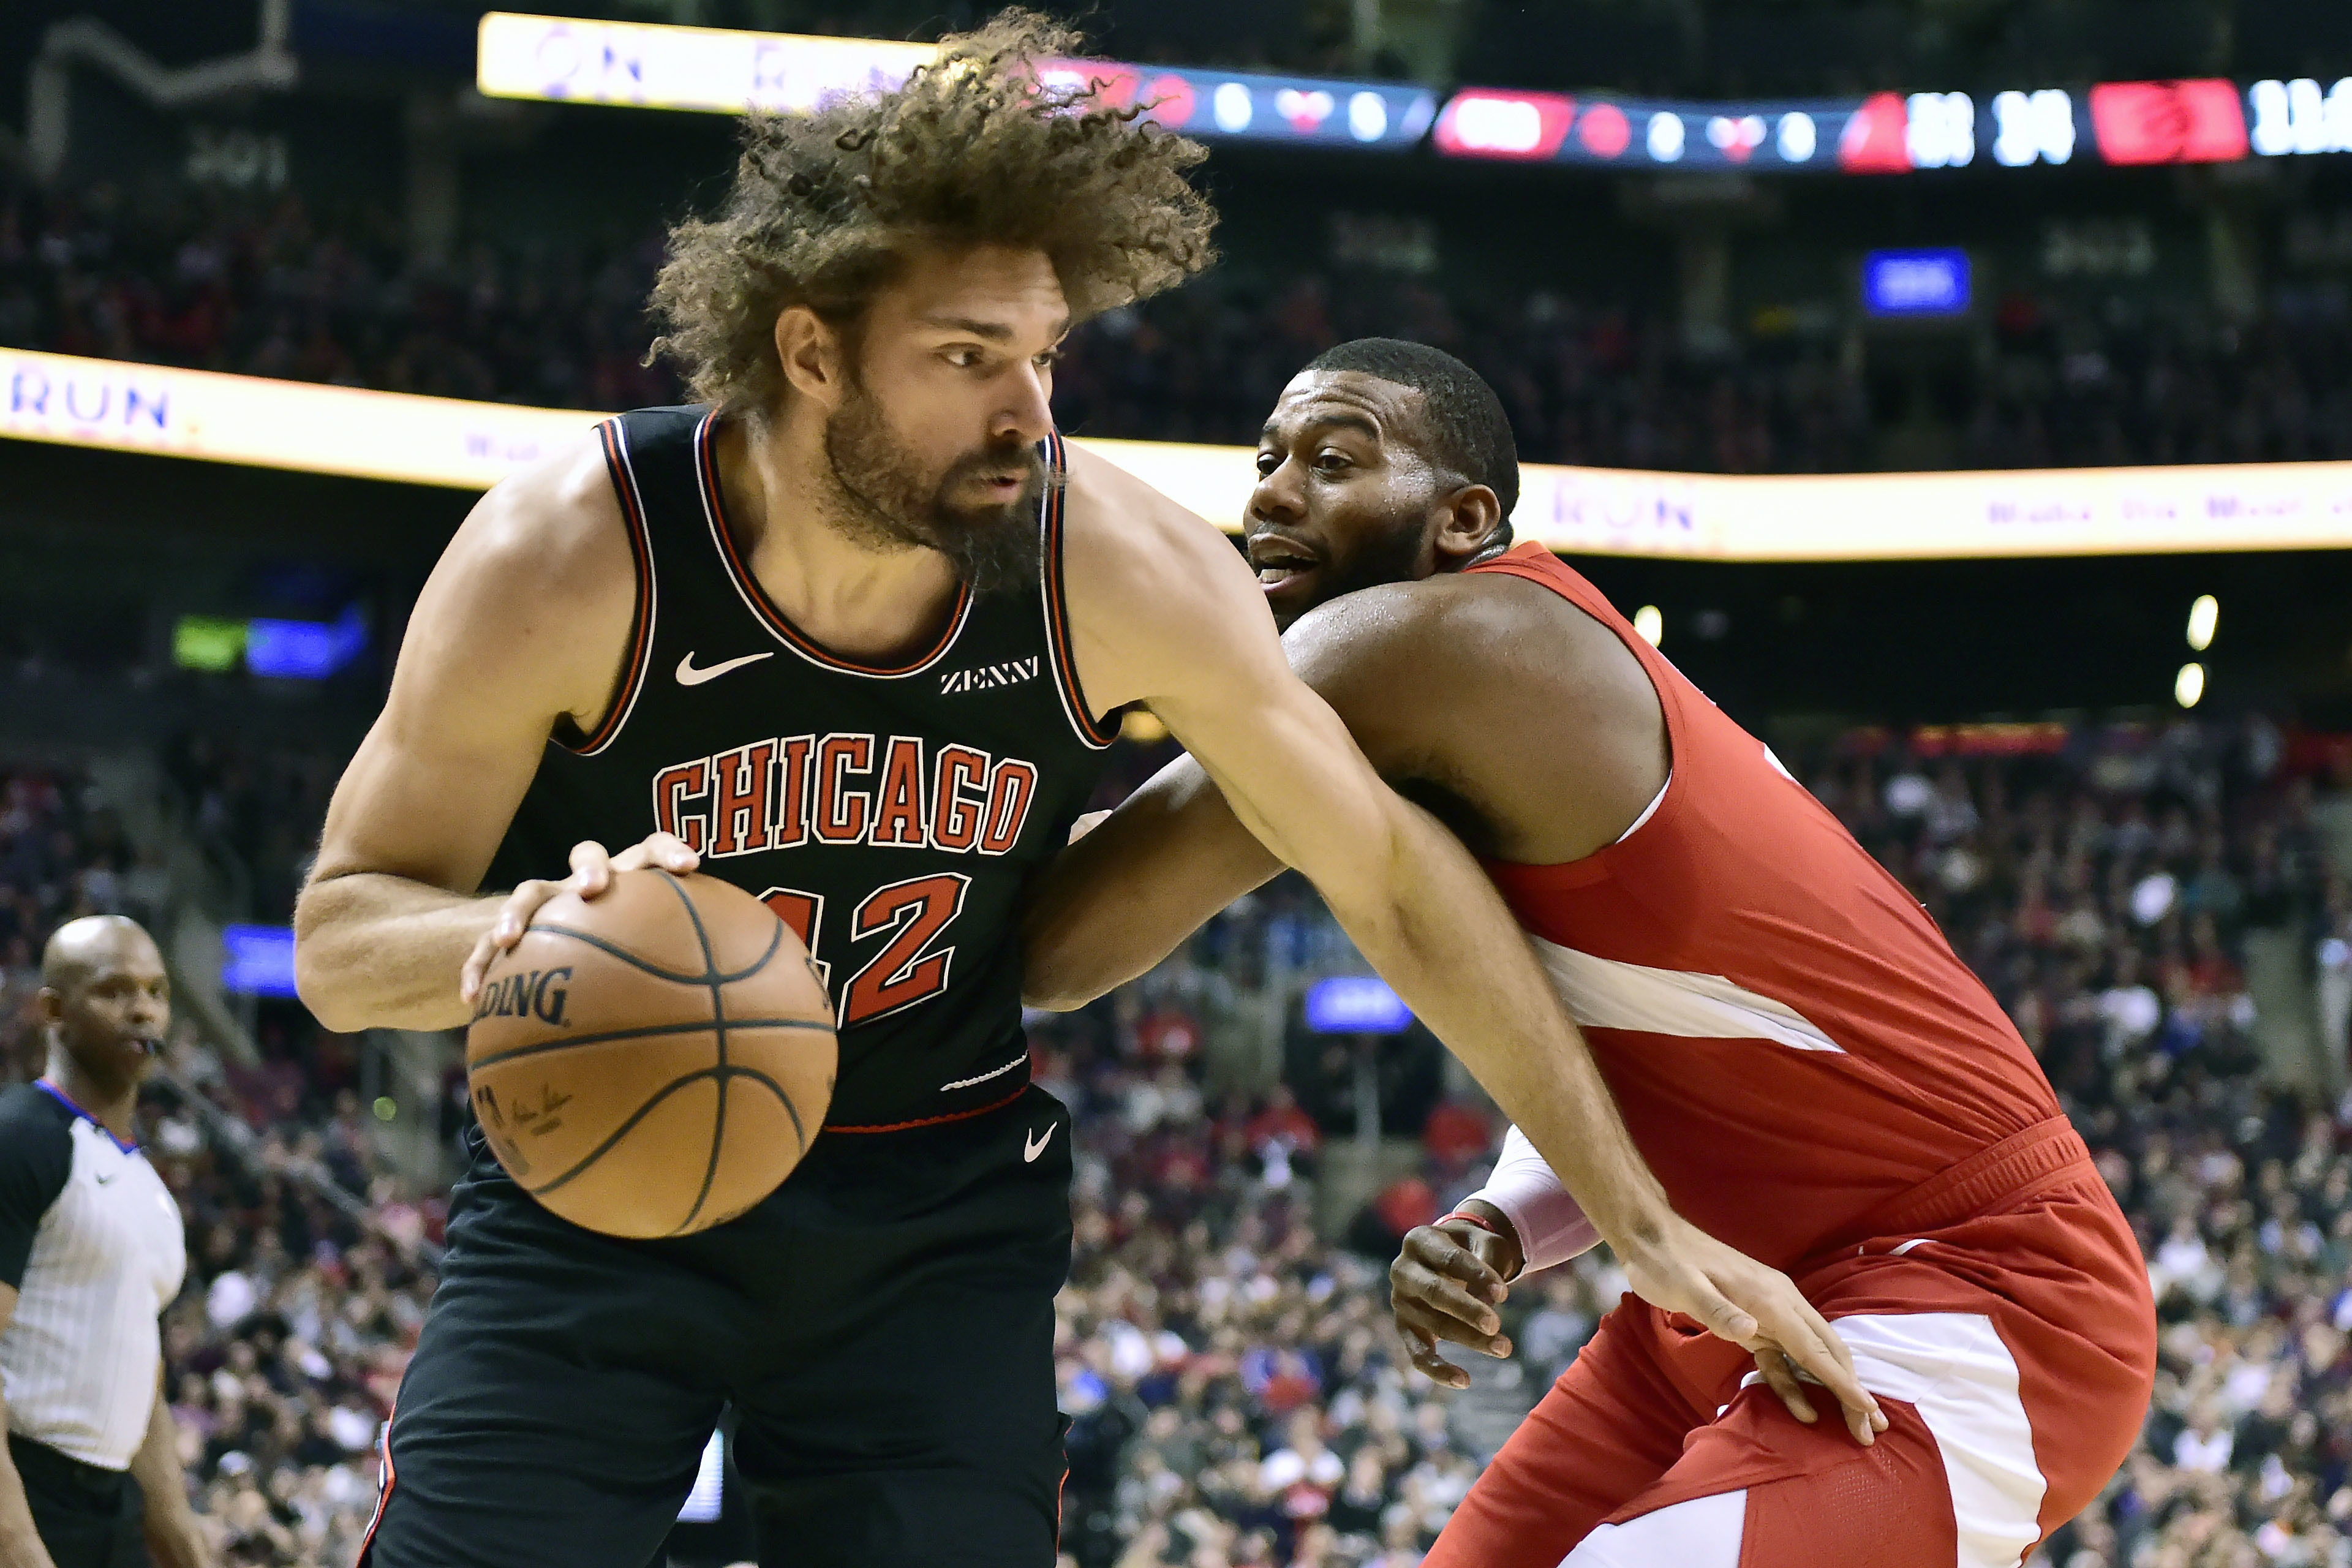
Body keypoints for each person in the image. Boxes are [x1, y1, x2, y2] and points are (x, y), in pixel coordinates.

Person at [291, 18, 1866, 1568]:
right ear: (809, 348)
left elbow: (1381, 871)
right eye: (970, 357)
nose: (1029, 412)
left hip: (929, 1212)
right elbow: (340, 937)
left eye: (1043, 354)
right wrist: (517, 934)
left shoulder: (1111, 564)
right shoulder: (573, 550)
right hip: (595, 1191)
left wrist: (1639, 1221)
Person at [1021, 339, 2158, 1567]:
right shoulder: (1481, 667)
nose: (1274, 494)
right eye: (1267, 459)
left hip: (1974, 1288)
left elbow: (1071, 941)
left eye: (1335, 460)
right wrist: (1508, 1218)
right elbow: (1636, 1035)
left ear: (1464, 520)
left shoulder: (1420, 644)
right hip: (1723, 1298)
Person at [0, 916, 211, 1568]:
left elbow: (138, 1386)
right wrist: (17, 1541)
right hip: (28, 1491)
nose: (143, 1009)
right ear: (53, 1010)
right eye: (115, 990)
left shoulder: (147, 1187)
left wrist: (182, 1541)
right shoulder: (21, 1137)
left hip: (114, 1508)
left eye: (156, 991)